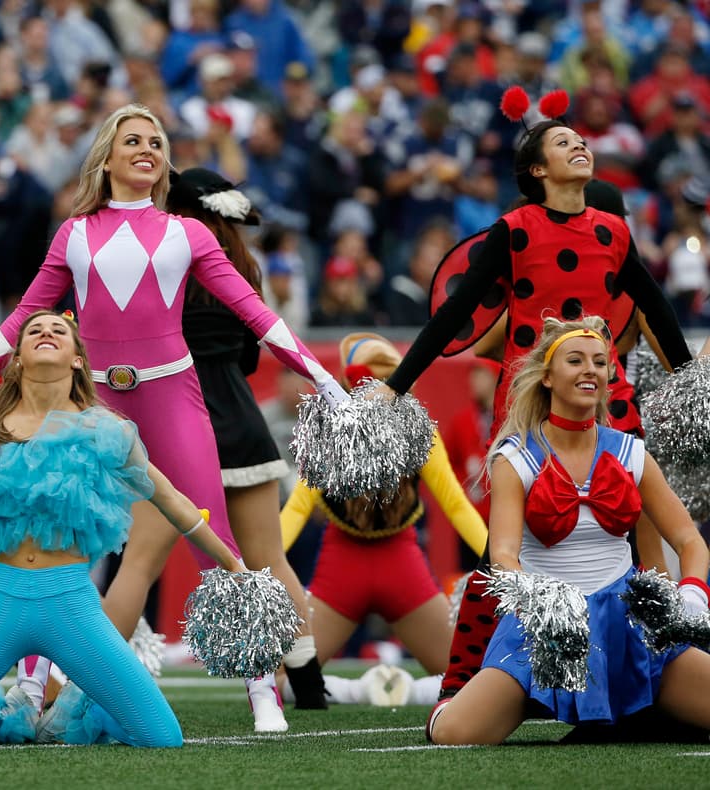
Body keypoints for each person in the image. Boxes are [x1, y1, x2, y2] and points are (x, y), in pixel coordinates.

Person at [0, 104, 347, 730]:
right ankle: (27, 691)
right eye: (133, 140)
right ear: (107, 156)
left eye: (157, 142)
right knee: (53, 534)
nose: (148, 150)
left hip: (172, 395)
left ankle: (262, 686)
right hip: (94, 401)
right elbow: (24, 317)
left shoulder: (189, 234)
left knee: (216, 540)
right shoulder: (74, 234)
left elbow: (253, 313)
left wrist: (320, 376)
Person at [383, 114, 696, 703]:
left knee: (636, 539)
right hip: (531, 405)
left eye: (580, 140)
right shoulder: (512, 229)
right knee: (501, 550)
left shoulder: (612, 231)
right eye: (562, 142)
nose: (579, 145)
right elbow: (456, 314)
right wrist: (397, 386)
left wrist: (689, 382)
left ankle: (646, 676)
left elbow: (654, 305)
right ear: (536, 170)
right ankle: (464, 681)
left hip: (609, 400)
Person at [0, 310, 245, 748]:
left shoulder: (108, 429)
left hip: (70, 605)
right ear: (17, 357)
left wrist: (231, 562)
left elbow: (171, 499)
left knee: (161, 737)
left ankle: (83, 712)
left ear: (78, 358)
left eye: (59, 330)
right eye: (34, 330)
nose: (46, 332)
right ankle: (0, 718)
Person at [428, 317, 710, 745]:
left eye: (599, 362)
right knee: (455, 733)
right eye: (575, 360)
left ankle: (635, 711)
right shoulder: (515, 456)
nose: (589, 370)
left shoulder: (632, 452)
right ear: (547, 376)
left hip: (628, 627)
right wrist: (543, 605)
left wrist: (690, 594)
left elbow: (690, 540)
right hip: (545, 627)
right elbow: (502, 554)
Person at [170, 167, 326, 713]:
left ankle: (82, 690)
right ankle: (309, 686)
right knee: (271, 560)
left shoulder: (165, 265)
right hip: (244, 426)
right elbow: (251, 357)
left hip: (178, 426)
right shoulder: (244, 267)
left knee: (139, 559)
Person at [280, 333, 487, 700]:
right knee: (282, 680)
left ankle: (400, 690)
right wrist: (258, 564)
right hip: (341, 570)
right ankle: (363, 690)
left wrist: (501, 560)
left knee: (472, 680)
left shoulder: (418, 430)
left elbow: (456, 504)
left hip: (402, 567)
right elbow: (299, 505)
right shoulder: (330, 430)